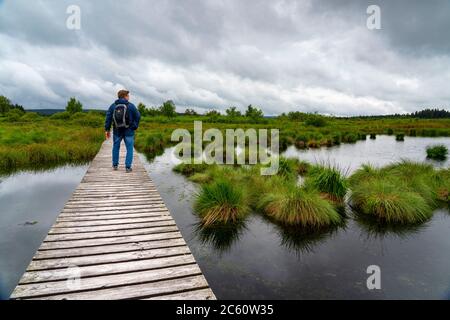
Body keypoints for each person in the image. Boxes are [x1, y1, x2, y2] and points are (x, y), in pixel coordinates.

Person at [105, 90, 141, 172]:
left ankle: (115, 165)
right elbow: (138, 116)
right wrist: (134, 126)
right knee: (129, 149)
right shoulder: (131, 106)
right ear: (125, 96)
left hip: (117, 131)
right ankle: (128, 167)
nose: (129, 97)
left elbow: (108, 118)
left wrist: (107, 129)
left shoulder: (113, 106)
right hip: (129, 131)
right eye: (128, 95)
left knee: (116, 147)